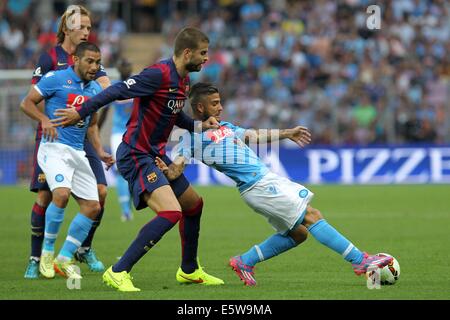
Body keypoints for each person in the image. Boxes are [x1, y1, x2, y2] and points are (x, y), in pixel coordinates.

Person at [154, 82, 394, 286]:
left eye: (220, 102)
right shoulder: (192, 137)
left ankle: (245, 260)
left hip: (266, 181)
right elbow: (178, 166)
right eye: (215, 103)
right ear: (200, 107)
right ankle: (359, 260)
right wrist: (168, 170)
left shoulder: (226, 127)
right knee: (311, 216)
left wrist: (287, 133)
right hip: (257, 186)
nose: (221, 107)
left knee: (299, 234)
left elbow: (254, 136)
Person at [52, 27, 224, 292]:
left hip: (155, 155)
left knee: (194, 204)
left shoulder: (183, 81)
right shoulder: (158, 74)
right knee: (171, 212)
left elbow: (175, 116)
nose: (206, 59)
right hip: (136, 154)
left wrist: (201, 126)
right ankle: (119, 271)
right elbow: (118, 91)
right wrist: (81, 112)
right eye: (203, 53)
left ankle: (189, 270)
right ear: (187, 52)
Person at [24, 4, 111, 279]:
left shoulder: (92, 61)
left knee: (100, 194)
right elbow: (31, 99)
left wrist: (98, 143)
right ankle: (36, 258)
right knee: (48, 195)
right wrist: (45, 121)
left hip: (83, 136)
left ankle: (83, 248)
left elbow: (107, 92)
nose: (86, 31)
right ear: (66, 28)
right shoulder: (50, 59)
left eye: (89, 27)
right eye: (81, 26)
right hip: (53, 136)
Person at [97, 58, 134, 222]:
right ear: (119, 69)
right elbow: (104, 112)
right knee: (121, 170)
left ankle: (131, 205)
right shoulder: (114, 88)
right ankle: (125, 210)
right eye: (123, 65)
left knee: (135, 170)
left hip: (135, 132)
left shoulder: (137, 85)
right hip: (118, 134)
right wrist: (95, 131)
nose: (126, 67)